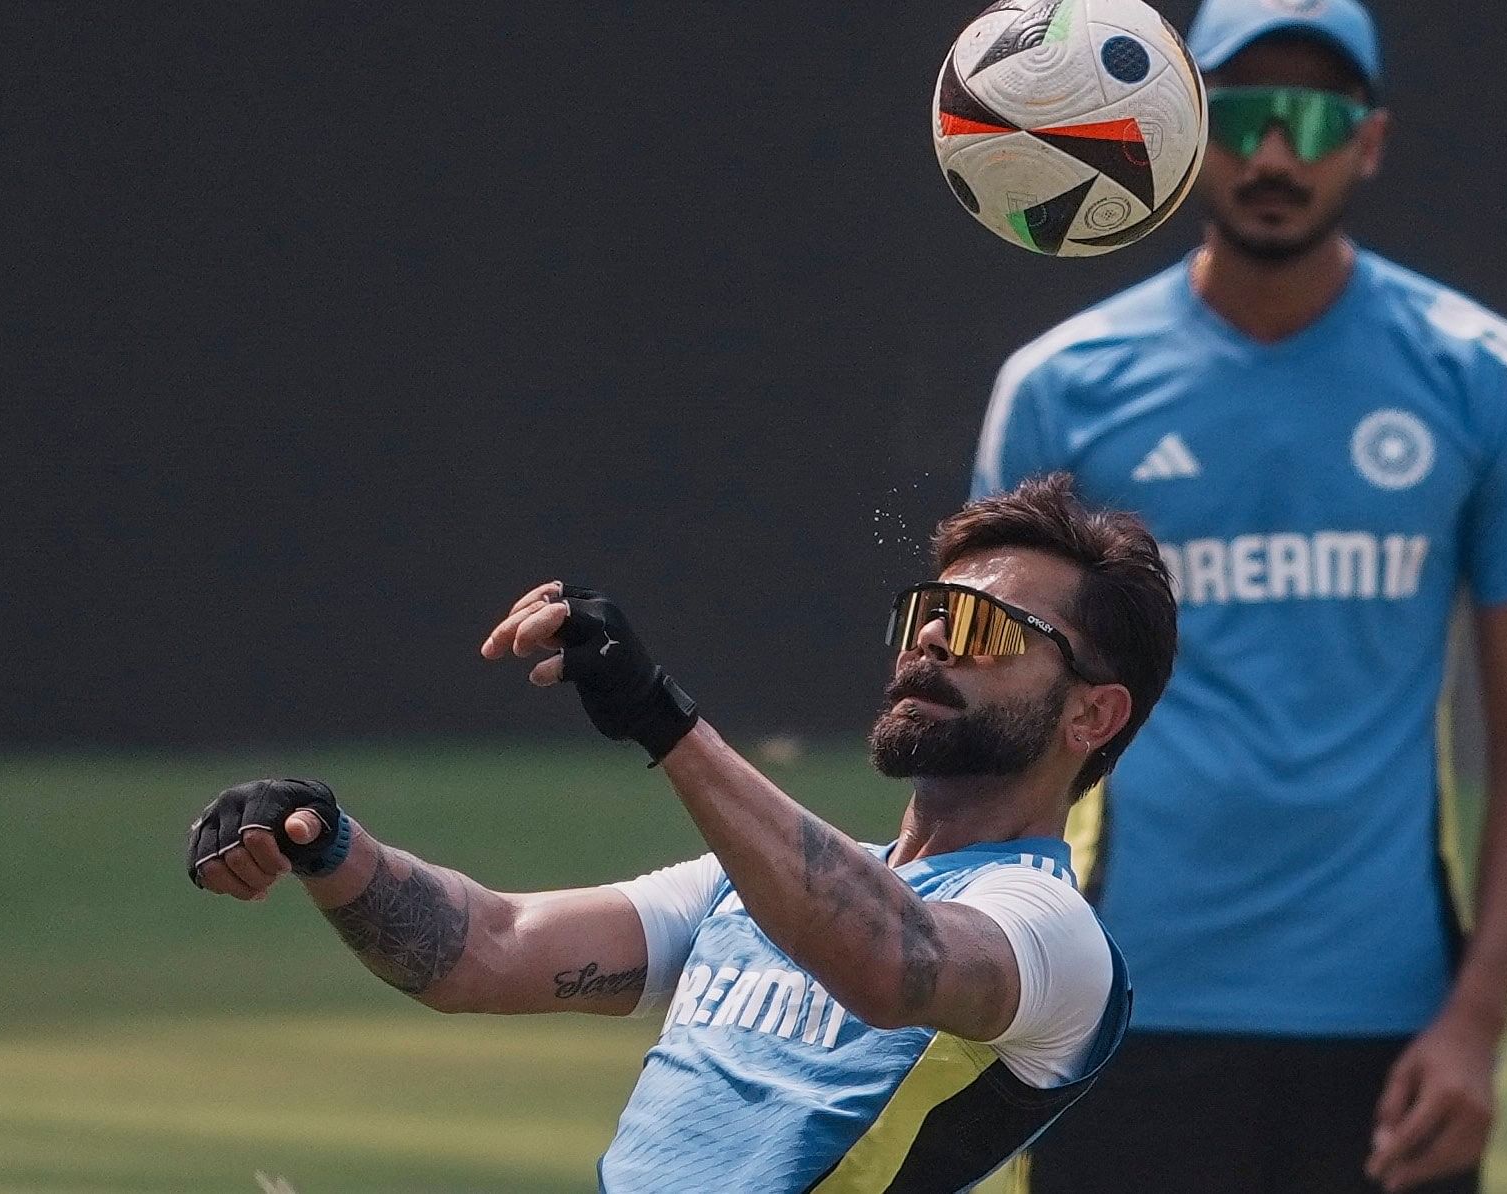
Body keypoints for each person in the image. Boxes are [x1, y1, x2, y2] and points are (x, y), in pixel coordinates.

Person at [971, 2, 1507, 1191]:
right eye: (1247, 114)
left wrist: (1476, 1025)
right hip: (1110, 1003)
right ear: (1184, 131)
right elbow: (994, 717)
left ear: (1368, 142)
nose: (1277, 154)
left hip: (1389, 1022)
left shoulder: (1483, 374)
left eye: (1315, 120)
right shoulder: (1061, 387)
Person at [183, 474, 1178, 1193]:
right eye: (927, 611)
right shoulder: (745, 888)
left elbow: (891, 960)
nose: (929, 637)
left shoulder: (1049, 933)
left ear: (1092, 716)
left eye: (982, 628)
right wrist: (327, 843)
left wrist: (661, 717)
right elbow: (483, 951)